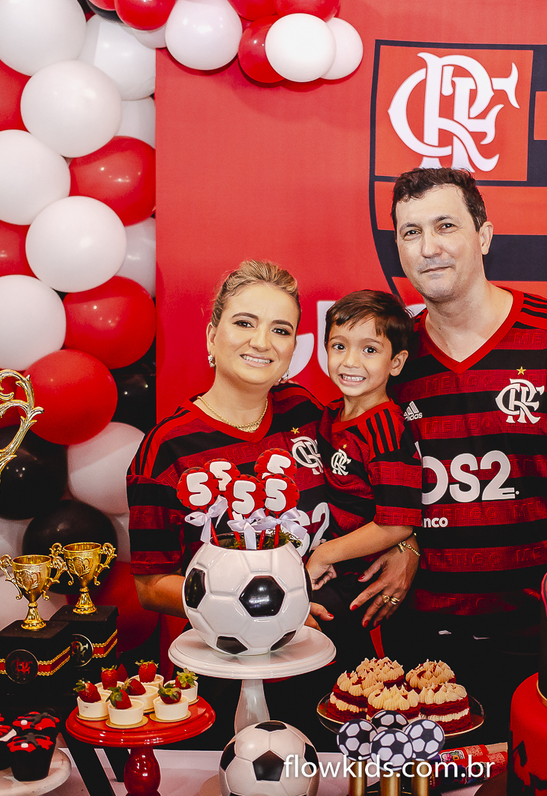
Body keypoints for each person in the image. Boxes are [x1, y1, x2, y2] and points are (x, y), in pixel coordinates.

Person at [366, 166, 547, 742]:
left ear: (485, 236)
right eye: (411, 232)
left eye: (445, 226)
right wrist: (407, 541)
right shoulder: (391, 358)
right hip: (424, 645)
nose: (429, 247)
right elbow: (371, 490)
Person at [126, 260, 331, 745]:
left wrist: (404, 545)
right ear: (211, 336)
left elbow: (366, 498)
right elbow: (149, 585)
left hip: (318, 664)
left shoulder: (308, 413)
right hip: (219, 674)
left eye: (280, 330)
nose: (262, 342)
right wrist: (266, 609)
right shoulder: (166, 448)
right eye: (244, 323)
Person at [306, 289, 422, 671]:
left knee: (355, 678)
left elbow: (398, 523)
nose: (350, 361)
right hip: (336, 570)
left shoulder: (385, 428)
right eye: (339, 346)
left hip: (363, 580)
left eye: (369, 349)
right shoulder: (329, 415)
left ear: (396, 362)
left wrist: (323, 555)